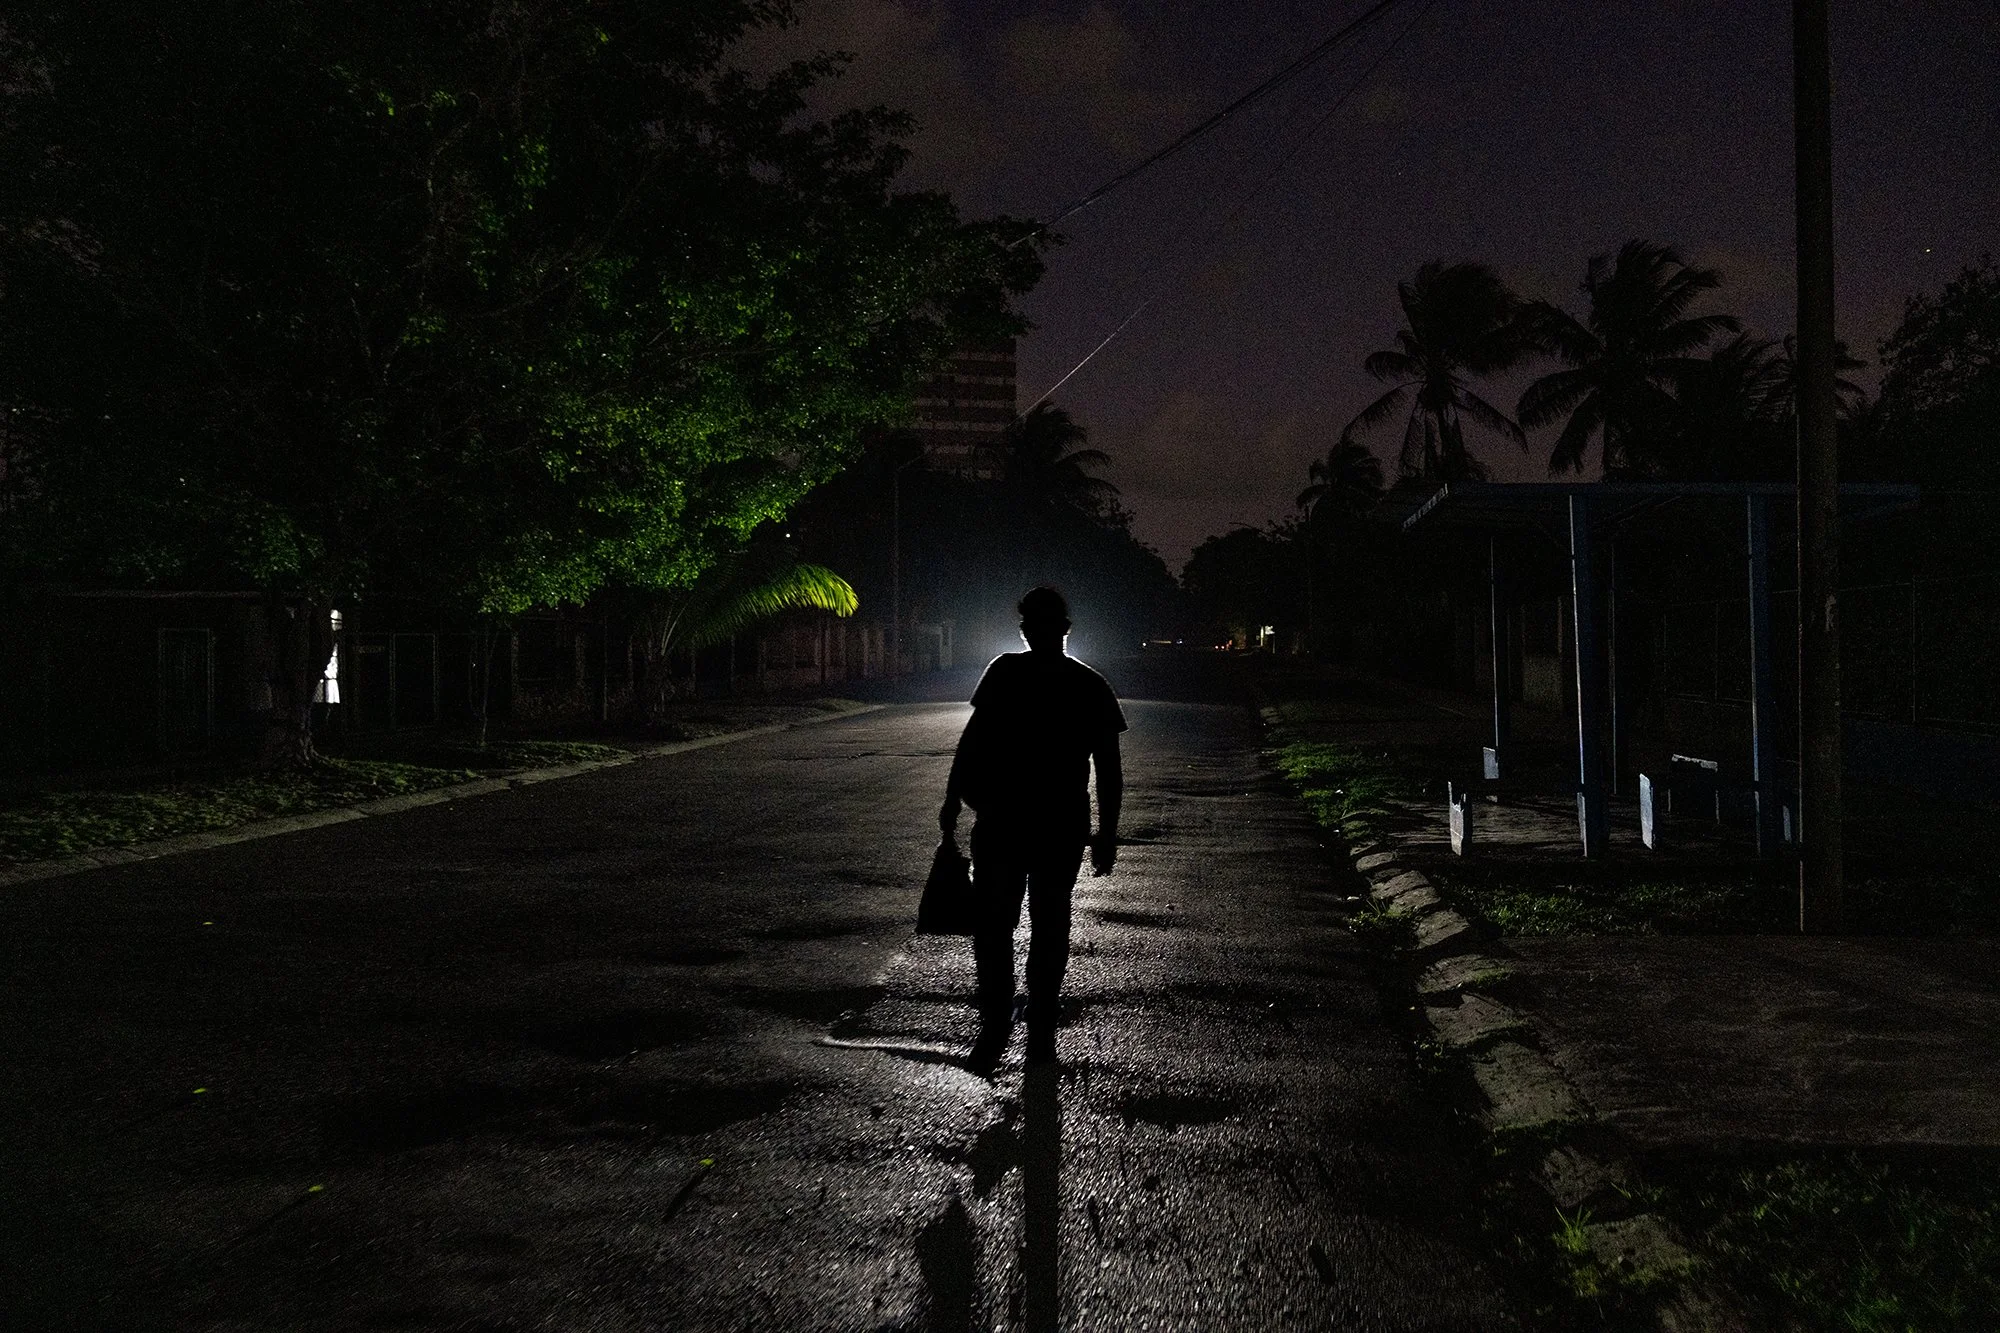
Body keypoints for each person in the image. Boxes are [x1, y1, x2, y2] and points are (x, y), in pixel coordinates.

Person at [939, 586, 1126, 1071]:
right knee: (1048, 922)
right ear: (1066, 629)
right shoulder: (1090, 685)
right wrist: (1107, 832)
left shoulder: (1006, 672)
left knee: (997, 925)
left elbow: (971, 740)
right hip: (1055, 823)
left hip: (1007, 819)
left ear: (1045, 629)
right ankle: (1036, 1019)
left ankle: (999, 1021)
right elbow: (1108, 766)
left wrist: (952, 801)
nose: (1032, 632)